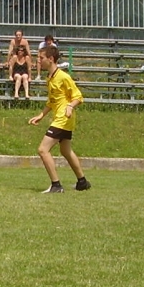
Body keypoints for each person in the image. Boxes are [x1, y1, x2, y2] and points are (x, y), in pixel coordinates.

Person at [29, 45, 90, 194]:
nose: (39, 61)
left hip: (64, 118)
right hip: (62, 118)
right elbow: (52, 101)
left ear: (50, 59)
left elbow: (78, 96)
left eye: (41, 58)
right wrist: (41, 115)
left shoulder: (63, 77)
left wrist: (70, 106)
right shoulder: (50, 78)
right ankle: (82, 182)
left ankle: (56, 185)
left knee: (43, 150)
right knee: (66, 150)